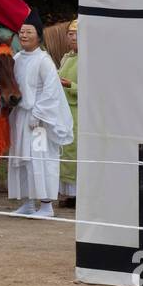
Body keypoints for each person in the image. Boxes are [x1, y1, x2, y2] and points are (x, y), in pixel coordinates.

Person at [8, 23, 73, 218]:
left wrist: (39, 114)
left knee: (40, 158)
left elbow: (51, 90)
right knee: (22, 160)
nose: (24, 35)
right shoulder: (17, 58)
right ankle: (27, 203)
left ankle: (46, 206)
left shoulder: (44, 60)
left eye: (29, 32)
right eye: (21, 32)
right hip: (21, 116)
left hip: (39, 122)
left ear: (38, 37)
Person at [58, 19, 79, 206]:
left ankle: (78, 194)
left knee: (75, 152)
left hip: (79, 111)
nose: (73, 38)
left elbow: (94, 88)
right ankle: (67, 194)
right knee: (64, 151)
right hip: (63, 110)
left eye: (76, 34)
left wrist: (70, 85)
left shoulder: (89, 59)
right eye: (70, 34)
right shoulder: (66, 58)